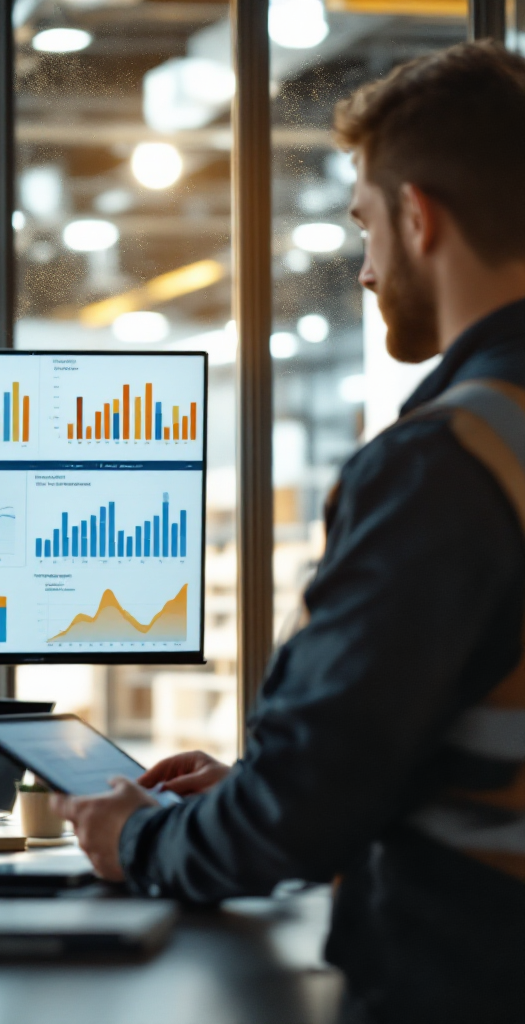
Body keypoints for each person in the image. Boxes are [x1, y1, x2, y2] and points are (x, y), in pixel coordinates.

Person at [54, 41, 525, 1024]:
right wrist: (259, 786)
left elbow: (307, 805)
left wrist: (140, 837)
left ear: (416, 217)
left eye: (365, 226)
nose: (363, 268)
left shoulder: (448, 461)